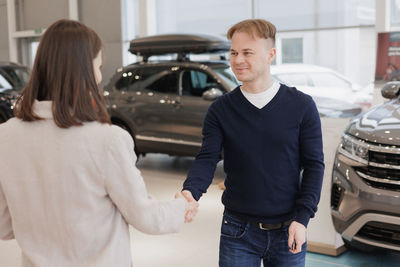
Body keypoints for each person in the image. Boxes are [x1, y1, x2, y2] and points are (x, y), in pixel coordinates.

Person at [0, 19, 197, 267]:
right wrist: (182, 207)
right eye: (98, 66)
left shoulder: (5, 137)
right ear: (85, 70)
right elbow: (146, 217)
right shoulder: (107, 140)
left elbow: (4, 227)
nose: (99, 75)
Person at [182, 19, 324, 267]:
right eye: (234, 52)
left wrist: (302, 219)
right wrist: (190, 191)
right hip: (238, 230)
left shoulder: (301, 106)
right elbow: (207, 157)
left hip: (289, 227)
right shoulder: (220, 110)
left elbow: (314, 165)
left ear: (270, 55)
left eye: (247, 52)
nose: (237, 60)